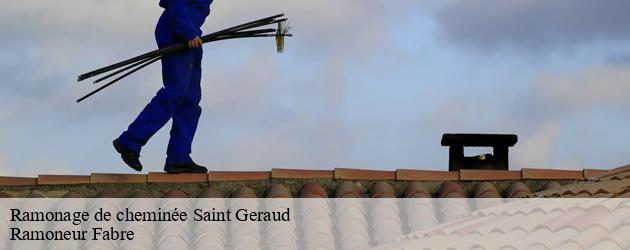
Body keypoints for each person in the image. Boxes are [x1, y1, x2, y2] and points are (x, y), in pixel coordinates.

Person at [113, 0, 213, 173]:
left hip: (191, 35)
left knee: (190, 100)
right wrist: (187, 32)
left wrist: (191, 32)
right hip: (177, 32)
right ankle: (129, 141)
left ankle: (179, 157)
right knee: (175, 92)